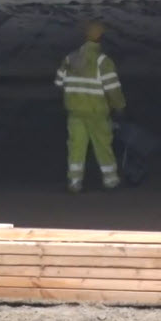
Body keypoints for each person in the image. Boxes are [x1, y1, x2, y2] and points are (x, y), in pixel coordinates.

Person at [55, 21, 126, 193]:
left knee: (76, 147)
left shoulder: (70, 58)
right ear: (101, 38)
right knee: (103, 145)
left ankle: (74, 182)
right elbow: (113, 89)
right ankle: (110, 180)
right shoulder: (104, 62)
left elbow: (59, 82)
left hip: (75, 112)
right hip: (97, 113)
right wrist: (120, 107)